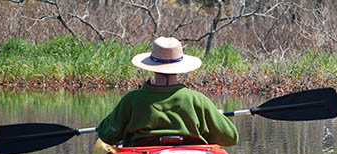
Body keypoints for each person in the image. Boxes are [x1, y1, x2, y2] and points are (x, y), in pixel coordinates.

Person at [97, 37, 238, 147]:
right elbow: (231, 137)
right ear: (180, 67)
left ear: (151, 66)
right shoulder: (198, 100)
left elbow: (106, 135)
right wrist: (217, 117)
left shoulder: (132, 100)